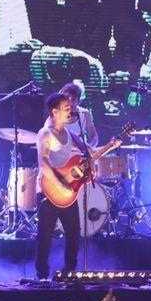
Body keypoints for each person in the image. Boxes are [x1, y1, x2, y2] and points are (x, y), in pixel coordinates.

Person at [35, 92, 121, 280]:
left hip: (68, 193)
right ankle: (41, 275)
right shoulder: (45, 134)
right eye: (66, 108)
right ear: (54, 111)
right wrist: (60, 184)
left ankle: (69, 272)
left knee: (74, 234)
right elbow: (43, 164)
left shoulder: (70, 133)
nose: (70, 111)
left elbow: (92, 152)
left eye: (70, 108)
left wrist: (112, 146)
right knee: (45, 236)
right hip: (48, 191)